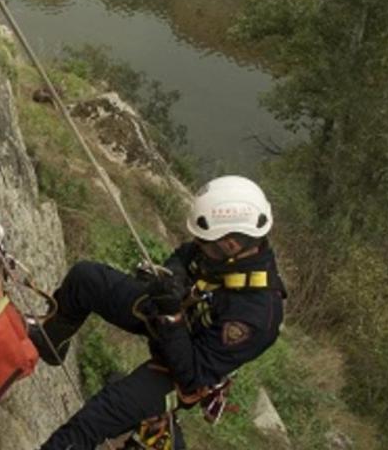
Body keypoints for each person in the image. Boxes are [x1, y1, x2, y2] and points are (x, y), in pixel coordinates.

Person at [31, 176, 287, 449]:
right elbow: (185, 255)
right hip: (168, 316)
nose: (199, 246)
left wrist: (172, 316)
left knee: (95, 418)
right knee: (85, 280)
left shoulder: (257, 316)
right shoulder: (216, 250)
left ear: (232, 246)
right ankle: (52, 341)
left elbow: (192, 375)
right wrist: (173, 279)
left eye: (206, 244)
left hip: (182, 368)